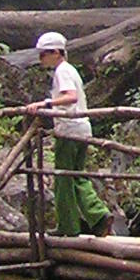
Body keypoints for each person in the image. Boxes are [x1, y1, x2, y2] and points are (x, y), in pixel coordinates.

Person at [28, 30, 111, 237]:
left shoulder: (62, 71)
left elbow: (70, 97)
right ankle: (98, 216)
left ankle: (68, 226)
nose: (41, 58)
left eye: (43, 54)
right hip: (82, 128)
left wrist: (46, 103)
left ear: (56, 52)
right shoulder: (70, 70)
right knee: (77, 176)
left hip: (69, 130)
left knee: (63, 178)